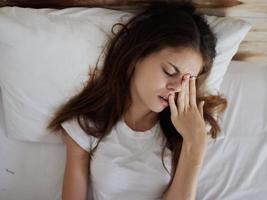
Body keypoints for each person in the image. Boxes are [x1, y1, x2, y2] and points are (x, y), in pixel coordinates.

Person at [47, 2, 227, 200]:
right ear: (137, 55)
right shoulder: (90, 123)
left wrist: (195, 144)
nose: (176, 88)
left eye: (186, 81)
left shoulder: (185, 132)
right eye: (169, 72)